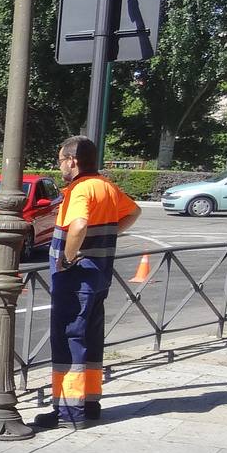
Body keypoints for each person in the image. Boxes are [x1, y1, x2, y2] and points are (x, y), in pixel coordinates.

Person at [34, 135, 139, 430]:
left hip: (76, 278)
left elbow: (78, 224)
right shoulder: (106, 186)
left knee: (69, 340)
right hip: (99, 275)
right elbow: (133, 212)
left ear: (72, 161)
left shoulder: (80, 190)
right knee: (91, 340)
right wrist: (106, 236)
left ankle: (69, 411)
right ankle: (90, 404)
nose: (60, 167)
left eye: (60, 161)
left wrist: (68, 258)